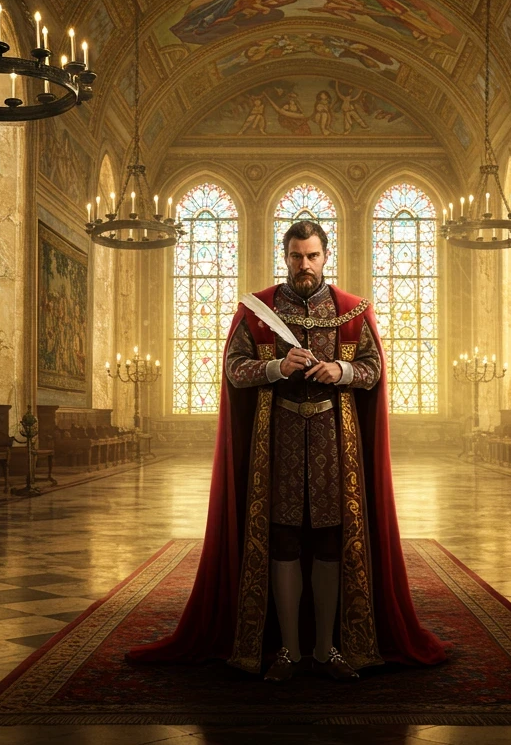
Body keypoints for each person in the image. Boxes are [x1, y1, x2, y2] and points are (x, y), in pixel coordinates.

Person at [127, 219, 444, 681]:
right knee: (284, 541)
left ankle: (325, 649)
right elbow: (235, 370)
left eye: (312, 256)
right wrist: (276, 366)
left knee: (331, 543)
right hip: (275, 448)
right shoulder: (257, 311)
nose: (304, 265)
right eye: (296, 256)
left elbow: (373, 369)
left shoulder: (353, 311)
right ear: (286, 256)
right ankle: (288, 651)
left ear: (325, 257)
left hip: (338, 449)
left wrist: (341, 371)